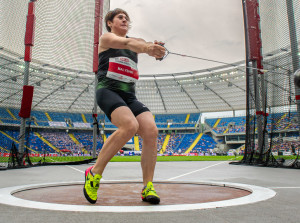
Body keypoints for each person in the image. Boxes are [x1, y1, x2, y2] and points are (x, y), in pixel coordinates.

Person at [83, 8, 165, 205]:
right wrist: (146, 48)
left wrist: (157, 50)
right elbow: (129, 43)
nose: (124, 20)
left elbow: (140, 44)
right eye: (120, 17)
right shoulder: (106, 38)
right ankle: (94, 174)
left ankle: (148, 187)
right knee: (129, 125)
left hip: (128, 96)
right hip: (108, 91)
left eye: (126, 18)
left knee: (151, 130)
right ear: (110, 22)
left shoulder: (135, 41)